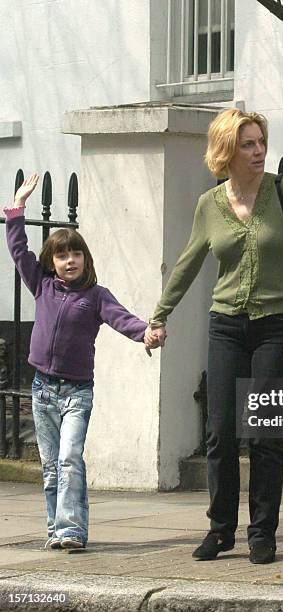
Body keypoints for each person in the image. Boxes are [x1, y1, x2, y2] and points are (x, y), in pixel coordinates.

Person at [145, 108, 283, 564]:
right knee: (219, 432)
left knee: (264, 433)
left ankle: (262, 533)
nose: (259, 150)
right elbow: (187, 263)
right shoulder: (210, 204)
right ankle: (221, 529)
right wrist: (158, 316)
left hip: (277, 327)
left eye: (261, 141)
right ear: (226, 151)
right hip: (226, 324)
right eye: (248, 143)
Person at [4, 174, 148, 550]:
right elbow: (19, 250)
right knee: (51, 468)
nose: (70, 260)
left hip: (76, 393)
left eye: (76, 254)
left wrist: (146, 332)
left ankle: (72, 531)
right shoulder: (43, 286)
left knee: (70, 458)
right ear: (52, 262)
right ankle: (56, 529)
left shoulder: (96, 295)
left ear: (86, 259)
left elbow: (123, 318)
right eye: (63, 255)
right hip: (42, 390)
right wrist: (17, 208)